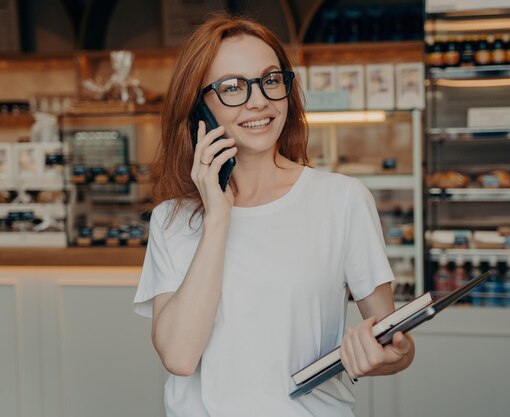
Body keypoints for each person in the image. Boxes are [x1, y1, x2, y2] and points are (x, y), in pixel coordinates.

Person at [133, 12, 415, 417]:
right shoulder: (172, 220)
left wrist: (389, 354)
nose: (258, 100)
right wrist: (217, 217)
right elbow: (179, 356)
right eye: (232, 87)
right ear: (200, 109)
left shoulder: (342, 200)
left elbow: (395, 342)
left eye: (269, 79)